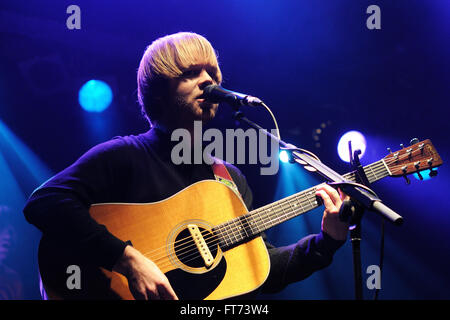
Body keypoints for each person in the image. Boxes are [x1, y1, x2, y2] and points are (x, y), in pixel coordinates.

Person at [23, 32, 349, 300]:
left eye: (212, 73)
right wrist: (127, 260)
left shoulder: (229, 177)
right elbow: (45, 203)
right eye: (191, 73)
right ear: (159, 92)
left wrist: (326, 241)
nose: (207, 80)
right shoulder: (122, 156)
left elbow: (259, 270)